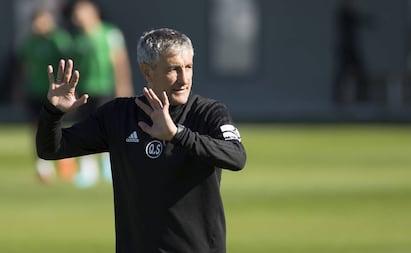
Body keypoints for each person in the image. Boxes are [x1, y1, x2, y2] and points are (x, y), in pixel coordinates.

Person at [36, 28, 246, 252]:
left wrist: (178, 134)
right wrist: (53, 112)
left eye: (188, 67)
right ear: (148, 72)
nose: (184, 79)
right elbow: (51, 149)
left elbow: (236, 156)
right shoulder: (118, 115)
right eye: (174, 69)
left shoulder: (208, 112)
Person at [69, 0, 134, 187]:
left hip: (106, 88)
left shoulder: (110, 33)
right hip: (85, 91)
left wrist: (123, 86)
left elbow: (120, 61)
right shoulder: (77, 39)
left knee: (109, 127)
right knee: (85, 128)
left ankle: (110, 166)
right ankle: (88, 169)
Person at [17, 7, 76, 183]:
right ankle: (42, 164)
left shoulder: (59, 39)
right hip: (35, 90)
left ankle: (66, 161)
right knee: (36, 126)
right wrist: (20, 88)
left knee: (61, 124)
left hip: (56, 92)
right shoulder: (29, 43)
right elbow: (24, 67)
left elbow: (70, 61)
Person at [332, 0, 371, 105]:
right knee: (342, 76)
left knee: (360, 75)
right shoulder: (344, 15)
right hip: (346, 50)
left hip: (351, 50)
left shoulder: (348, 15)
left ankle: (362, 99)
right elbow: (356, 19)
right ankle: (338, 100)